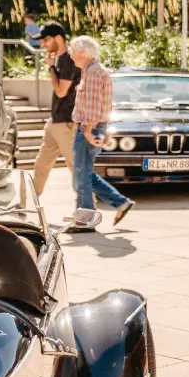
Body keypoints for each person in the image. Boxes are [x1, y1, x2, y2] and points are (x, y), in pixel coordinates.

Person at [68, 36, 133, 230]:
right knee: (85, 174)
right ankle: (120, 202)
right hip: (93, 127)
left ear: (82, 53)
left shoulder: (94, 72)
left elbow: (94, 106)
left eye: (72, 50)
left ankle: (85, 221)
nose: (70, 54)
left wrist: (87, 130)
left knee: (82, 176)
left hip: (90, 127)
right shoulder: (91, 70)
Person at [33, 22, 80, 195]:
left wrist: (51, 67)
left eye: (46, 39)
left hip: (66, 123)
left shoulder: (68, 59)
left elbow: (61, 91)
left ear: (59, 38)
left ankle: (88, 209)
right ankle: (25, 206)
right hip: (56, 122)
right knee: (41, 166)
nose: (42, 44)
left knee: (76, 168)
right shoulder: (61, 59)